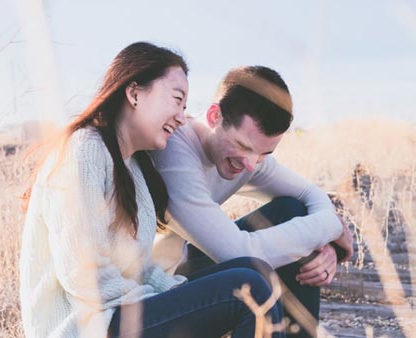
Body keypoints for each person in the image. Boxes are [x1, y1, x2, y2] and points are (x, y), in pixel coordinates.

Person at [19, 43, 285, 338]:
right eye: (176, 100)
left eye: (185, 107)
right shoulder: (84, 150)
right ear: (134, 93)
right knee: (248, 290)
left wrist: (180, 295)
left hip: (119, 314)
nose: (182, 117)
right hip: (86, 327)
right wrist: (160, 300)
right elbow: (82, 274)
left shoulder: (132, 168)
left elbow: (139, 268)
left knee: (255, 270)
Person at [151, 65, 354, 337]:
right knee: (262, 263)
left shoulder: (250, 157)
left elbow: (310, 195)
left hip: (186, 269)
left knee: (293, 210)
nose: (251, 165)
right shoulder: (174, 151)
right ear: (215, 116)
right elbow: (239, 253)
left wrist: (324, 243)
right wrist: (330, 228)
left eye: (264, 153)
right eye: (244, 147)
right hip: (155, 293)